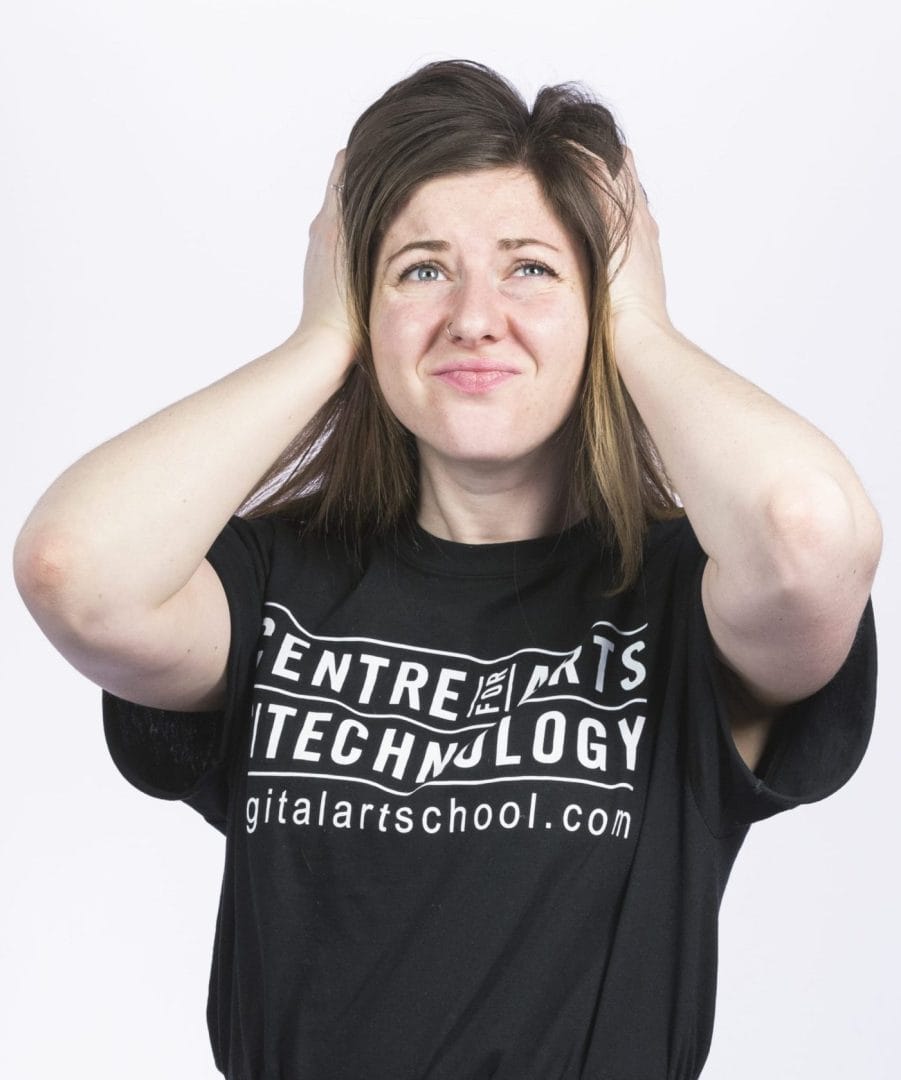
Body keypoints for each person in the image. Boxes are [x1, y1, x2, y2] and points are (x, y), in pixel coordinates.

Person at [14, 59, 880, 1080]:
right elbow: (75, 570)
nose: (473, 314)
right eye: (420, 269)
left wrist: (638, 324)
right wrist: (322, 335)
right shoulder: (273, 584)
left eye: (531, 268)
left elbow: (811, 531)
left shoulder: (685, 599)